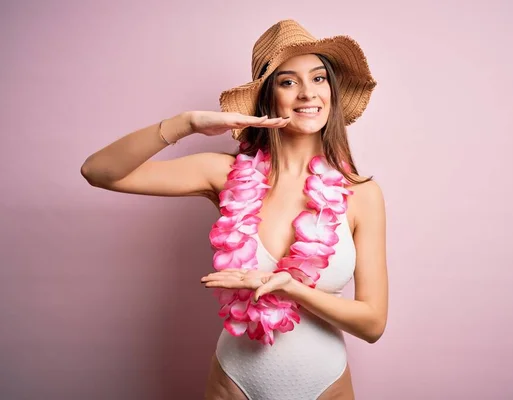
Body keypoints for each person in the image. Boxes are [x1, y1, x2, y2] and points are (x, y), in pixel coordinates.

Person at [81, 19, 388, 400]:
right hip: (235, 384)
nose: (308, 93)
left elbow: (373, 323)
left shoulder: (361, 194)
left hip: (325, 385)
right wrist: (187, 123)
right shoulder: (225, 174)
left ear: (332, 91)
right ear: (268, 96)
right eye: (288, 81)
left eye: (319, 78)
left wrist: (292, 289)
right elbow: (99, 172)